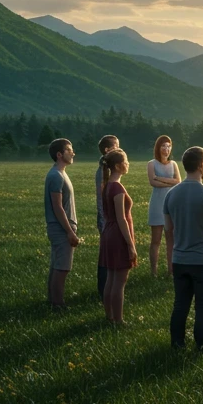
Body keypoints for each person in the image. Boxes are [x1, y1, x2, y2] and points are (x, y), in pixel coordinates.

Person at [164, 146, 203, 351]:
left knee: (180, 306)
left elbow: (168, 232)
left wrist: (170, 260)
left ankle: (177, 344)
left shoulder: (171, 195)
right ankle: (202, 347)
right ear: (202, 166)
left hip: (180, 259)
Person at [99, 148, 138, 326]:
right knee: (120, 280)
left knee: (111, 277)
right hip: (118, 235)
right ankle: (119, 319)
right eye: (125, 161)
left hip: (108, 233)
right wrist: (130, 244)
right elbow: (121, 218)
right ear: (117, 166)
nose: (128, 164)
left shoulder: (107, 185)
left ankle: (109, 317)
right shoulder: (117, 188)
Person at [44, 138, 80, 312]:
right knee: (62, 267)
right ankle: (58, 305)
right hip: (60, 228)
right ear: (59, 154)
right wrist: (69, 231)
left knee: (57, 265)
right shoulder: (56, 176)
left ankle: (52, 301)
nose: (73, 153)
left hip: (61, 227)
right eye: (69, 150)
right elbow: (57, 207)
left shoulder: (60, 173)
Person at [147, 135, 182, 278]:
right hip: (157, 204)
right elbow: (153, 182)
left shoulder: (173, 164)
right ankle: (153, 272)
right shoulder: (152, 164)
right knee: (156, 240)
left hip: (171, 204)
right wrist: (169, 182)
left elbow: (178, 181)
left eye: (168, 146)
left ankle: (171, 270)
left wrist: (159, 178)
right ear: (158, 147)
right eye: (163, 146)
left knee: (171, 239)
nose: (166, 149)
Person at [94, 135, 119, 301]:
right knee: (106, 255)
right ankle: (104, 289)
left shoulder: (109, 170)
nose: (119, 149)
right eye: (116, 146)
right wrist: (105, 222)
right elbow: (101, 200)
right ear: (107, 150)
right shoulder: (103, 172)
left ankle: (109, 288)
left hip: (109, 219)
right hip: (106, 220)